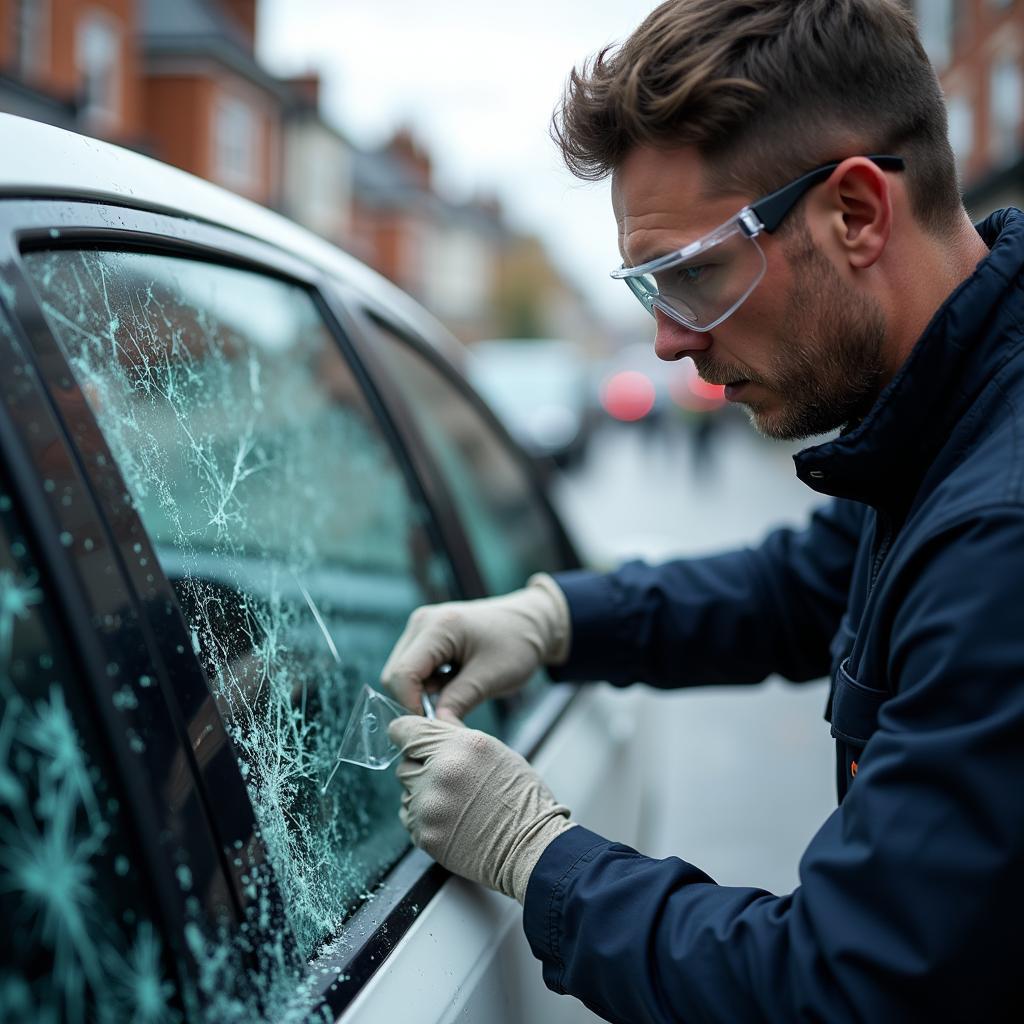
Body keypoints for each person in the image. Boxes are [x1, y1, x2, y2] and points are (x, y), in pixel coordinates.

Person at [381, 1, 1024, 1019]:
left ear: (854, 214)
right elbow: (806, 584)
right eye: (649, 287)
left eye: (693, 275)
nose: (670, 343)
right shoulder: (957, 409)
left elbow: (840, 985)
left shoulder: (1001, 532)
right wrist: (554, 619)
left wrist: (538, 856)